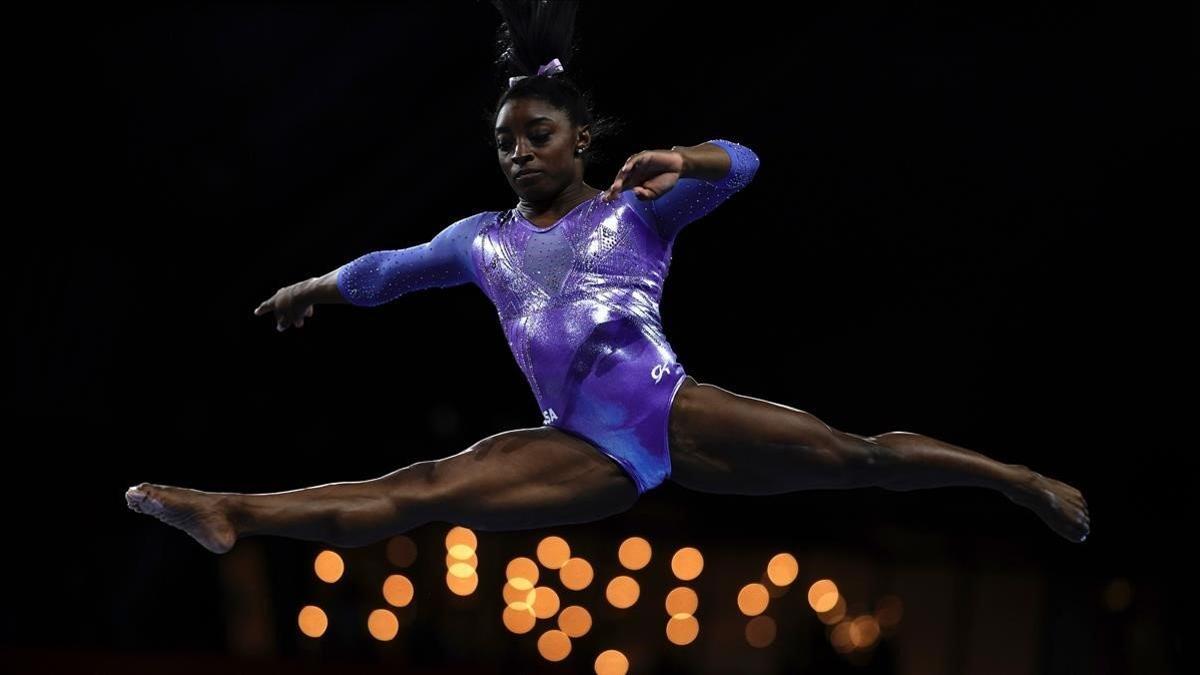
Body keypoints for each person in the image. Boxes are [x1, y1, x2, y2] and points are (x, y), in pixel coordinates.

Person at [126, 0, 1089, 553]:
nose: (518, 154)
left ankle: (1017, 479)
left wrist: (685, 157)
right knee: (421, 485)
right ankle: (228, 511)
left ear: (578, 137)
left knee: (860, 457)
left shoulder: (633, 203)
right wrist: (313, 286)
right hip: (583, 449)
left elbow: (746, 162)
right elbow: (387, 272)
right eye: (504, 143)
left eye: (537, 136)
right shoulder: (480, 239)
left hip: (671, 408)